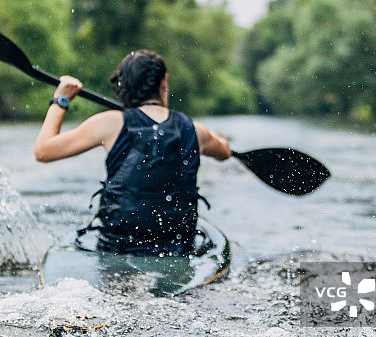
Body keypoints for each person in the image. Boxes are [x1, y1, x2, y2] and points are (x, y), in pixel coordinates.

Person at [34, 50, 231, 254]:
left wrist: (61, 100)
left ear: (124, 85)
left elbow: (43, 151)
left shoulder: (110, 123)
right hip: (178, 246)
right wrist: (220, 138)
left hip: (116, 245)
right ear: (164, 81)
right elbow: (224, 151)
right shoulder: (196, 130)